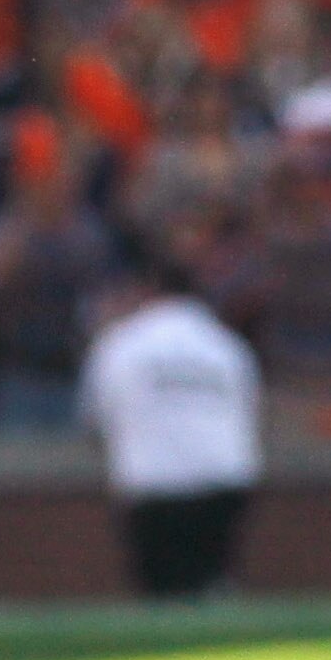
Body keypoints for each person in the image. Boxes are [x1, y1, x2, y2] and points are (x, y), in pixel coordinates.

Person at [78, 247, 263, 597]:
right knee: (210, 583)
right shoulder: (226, 345)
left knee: (160, 592)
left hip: (153, 484)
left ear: (147, 290)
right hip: (224, 479)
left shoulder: (120, 343)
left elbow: (94, 420)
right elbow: (249, 413)